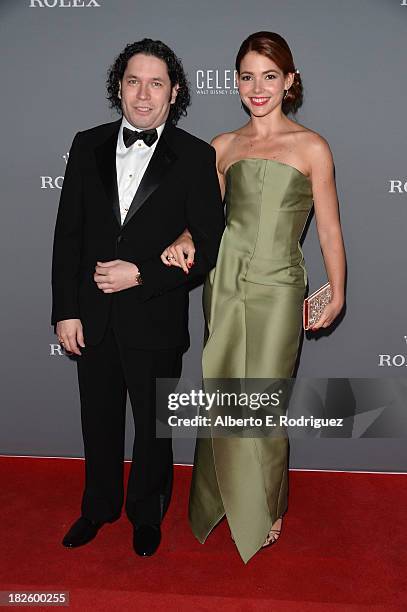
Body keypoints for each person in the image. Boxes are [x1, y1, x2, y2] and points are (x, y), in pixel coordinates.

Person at [161, 31, 346, 563]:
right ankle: (217, 497)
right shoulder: (221, 147)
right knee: (222, 394)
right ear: (236, 82)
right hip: (223, 284)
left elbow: (330, 228)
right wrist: (184, 240)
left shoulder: (312, 146)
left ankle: (266, 504)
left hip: (279, 285)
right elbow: (204, 223)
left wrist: (336, 288)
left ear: (290, 81)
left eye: (270, 75)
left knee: (262, 402)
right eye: (247, 76)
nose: (257, 87)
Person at [51, 38, 224, 557]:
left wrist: (142, 275)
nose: (142, 94)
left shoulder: (196, 156)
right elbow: (69, 237)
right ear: (118, 88)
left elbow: (209, 244)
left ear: (174, 93)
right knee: (97, 421)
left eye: (155, 83)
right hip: (94, 316)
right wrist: (66, 310)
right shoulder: (87, 145)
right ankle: (98, 508)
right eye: (132, 81)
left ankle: (147, 516)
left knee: (153, 432)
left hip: (155, 320)